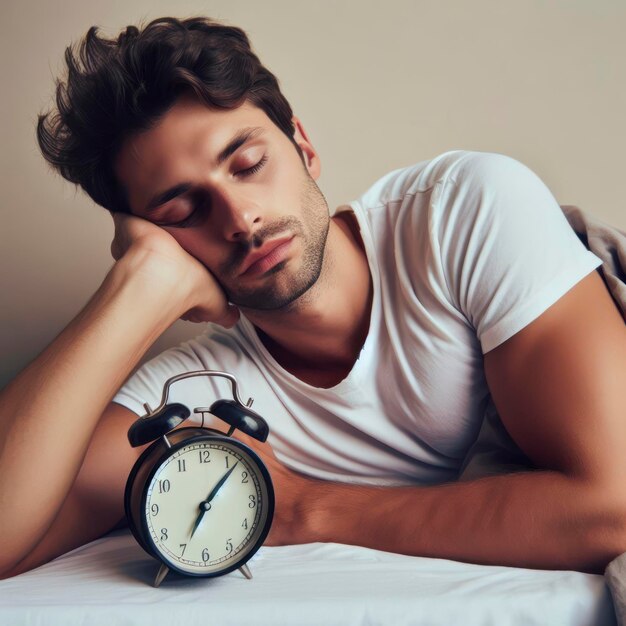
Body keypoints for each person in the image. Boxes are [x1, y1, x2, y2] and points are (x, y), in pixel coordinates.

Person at [1, 16, 625, 580]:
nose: (241, 218)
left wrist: (306, 508)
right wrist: (137, 289)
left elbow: (614, 508)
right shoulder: (202, 397)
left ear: (302, 145)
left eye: (247, 164)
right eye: (184, 208)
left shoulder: (461, 213)